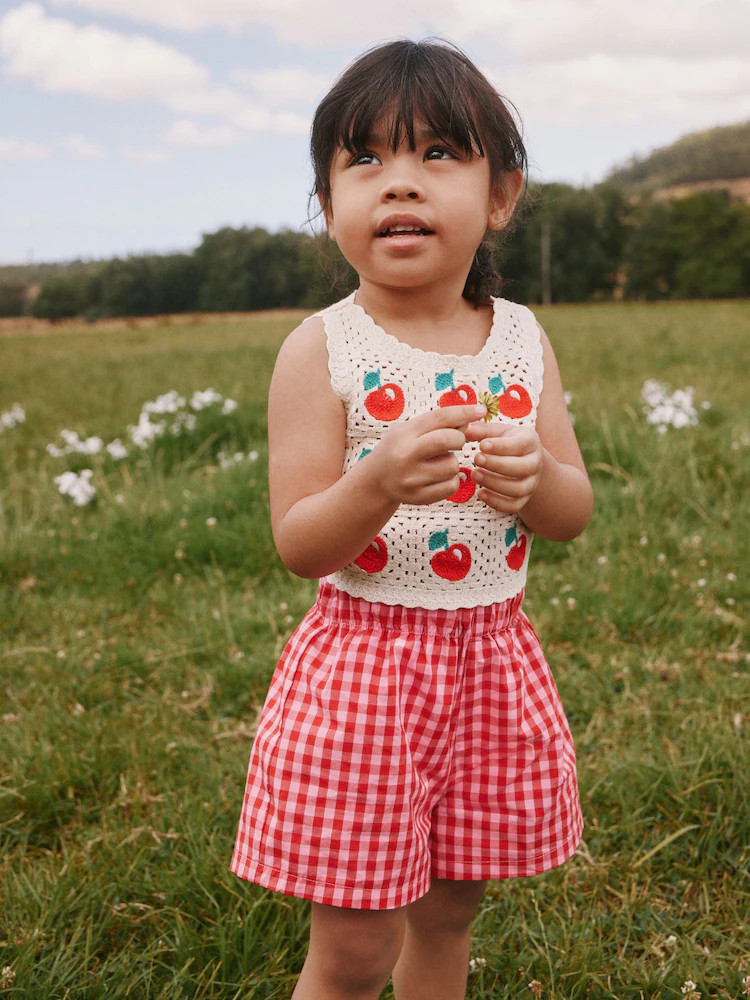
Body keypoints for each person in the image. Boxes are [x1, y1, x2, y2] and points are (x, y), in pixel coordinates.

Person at [231, 37, 594, 1000]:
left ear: (502, 195)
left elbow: (573, 510)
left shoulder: (520, 340)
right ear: (326, 205)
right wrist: (378, 482)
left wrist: (535, 480)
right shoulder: (322, 350)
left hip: (488, 663)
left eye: (437, 154)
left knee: (448, 913)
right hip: (365, 675)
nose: (400, 184)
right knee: (355, 947)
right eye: (365, 160)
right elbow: (299, 541)